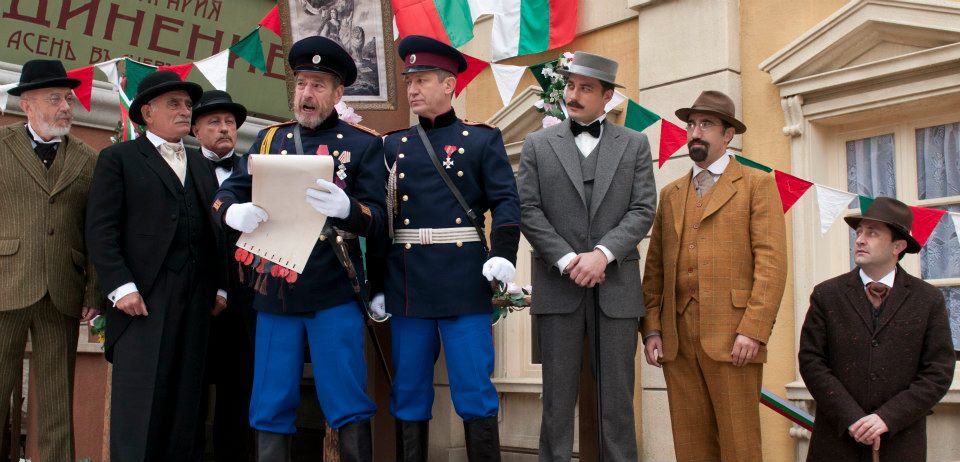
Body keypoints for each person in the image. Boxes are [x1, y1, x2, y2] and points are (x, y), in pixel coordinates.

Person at [212, 36, 385, 462]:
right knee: (270, 403)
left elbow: (380, 219)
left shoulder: (363, 144)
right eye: (302, 83)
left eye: (318, 85)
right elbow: (226, 194)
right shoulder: (269, 140)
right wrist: (232, 213)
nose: (307, 94)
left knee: (348, 401)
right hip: (276, 293)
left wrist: (349, 209)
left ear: (338, 94)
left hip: (334, 290)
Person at [380, 35, 520, 461]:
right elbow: (379, 216)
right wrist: (377, 284)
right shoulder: (391, 145)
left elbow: (506, 201)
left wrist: (504, 253)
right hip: (408, 282)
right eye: (409, 82)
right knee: (408, 390)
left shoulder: (481, 140)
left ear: (448, 85)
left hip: (464, 281)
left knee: (474, 389)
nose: (413, 89)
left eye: (422, 80)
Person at [517, 51, 656, 461]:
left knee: (618, 403)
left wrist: (602, 255)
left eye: (586, 88)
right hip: (557, 286)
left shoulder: (635, 144)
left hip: (617, 291)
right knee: (556, 403)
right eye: (571, 86)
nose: (574, 95)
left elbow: (643, 209)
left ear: (608, 96)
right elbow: (527, 210)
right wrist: (568, 260)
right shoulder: (537, 145)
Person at [86, 70, 226, 460]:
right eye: (174, 104)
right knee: (140, 407)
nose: (185, 111)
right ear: (147, 113)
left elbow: (216, 232)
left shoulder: (201, 164)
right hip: (143, 298)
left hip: (196, 298)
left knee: (187, 406)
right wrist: (121, 288)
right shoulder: (118, 158)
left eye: (187, 104)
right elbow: (101, 228)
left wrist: (220, 286)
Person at [640, 90, 787, 461]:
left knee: (740, 446)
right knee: (690, 447)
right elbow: (654, 269)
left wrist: (753, 329)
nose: (695, 132)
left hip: (735, 337)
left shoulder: (756, 184)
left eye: (706, 124)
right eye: (691, 124)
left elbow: (771, 263)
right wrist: (652, 328)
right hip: (676, 341)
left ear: (728, 134)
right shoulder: (670, 194)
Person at [799, 197, 955, 461]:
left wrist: (887, 417)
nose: (860, 240)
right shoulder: (827, 295)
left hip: (900, 442)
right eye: (859, 232)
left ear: (898, 246)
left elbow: (938, 371)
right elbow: (811, 361)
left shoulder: (928, 299)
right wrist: (851, 418)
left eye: (872, 233)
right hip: (837, 441)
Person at [0, 59, 99, 461]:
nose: (65, 107)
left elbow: (96, 229)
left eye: (69, 99)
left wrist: (93, 289)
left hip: (63, 289)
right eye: (55, 98)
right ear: (26, 104)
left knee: (58, 401)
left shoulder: (88, 158)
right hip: (5, 282)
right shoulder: (1, 146)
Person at [190, 89, 256, 461]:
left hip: (245, 298)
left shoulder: (253, 168)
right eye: (214, 122)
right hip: (198, 297)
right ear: (195, 130)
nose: (224, 128)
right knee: (192, 389)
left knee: (240, 389)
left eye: (229, 122)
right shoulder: (181, 167)